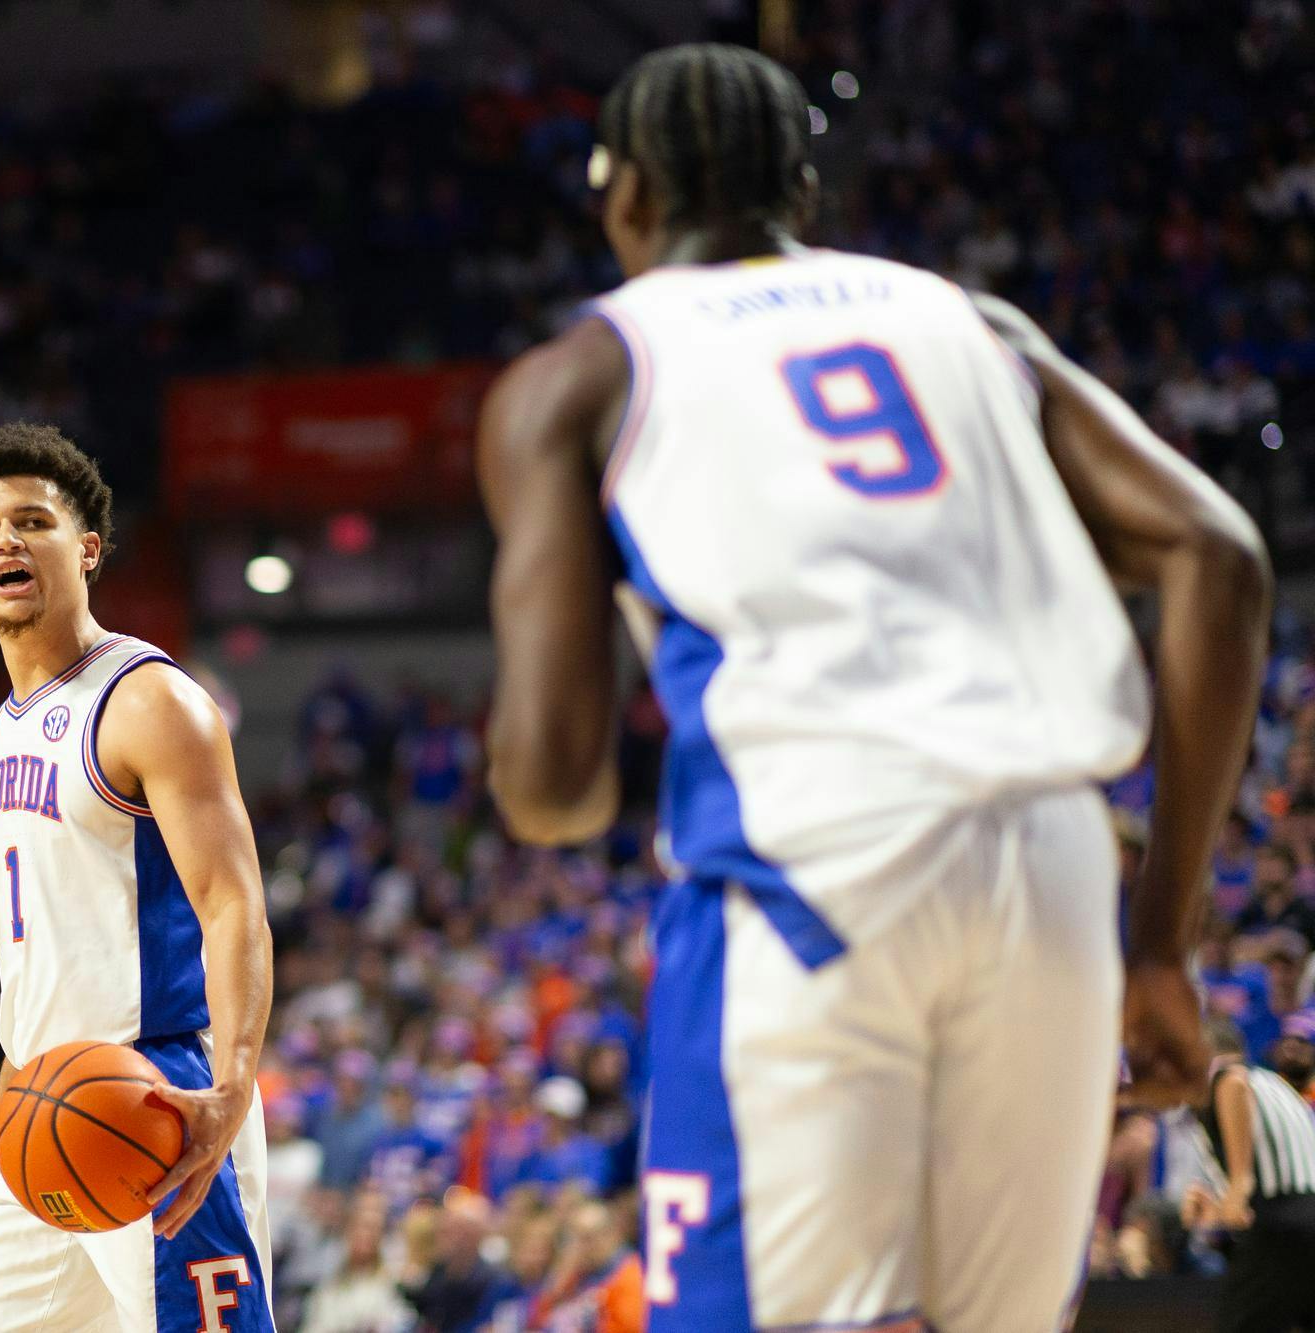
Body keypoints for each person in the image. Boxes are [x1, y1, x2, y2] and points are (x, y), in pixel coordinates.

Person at [478, 41, 1271, 1333]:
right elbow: (1220, 556)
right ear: (804, 191)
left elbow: (559, 790)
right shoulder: (972, 322)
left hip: (811, 874)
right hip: (1053, 873)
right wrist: (1164, 941)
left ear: (620, 199)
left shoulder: (578, 375)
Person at [0, 423, 274, 1330]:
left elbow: (233, 900)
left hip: (153, 1099)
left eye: (31, 521)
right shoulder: (7, 723)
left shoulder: (150, 700)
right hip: (37, 1113)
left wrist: (232, 1086)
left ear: (85, 548)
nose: (5, 540)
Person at [1185, 1021, 1315, 1331]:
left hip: (1279, 1231)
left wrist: (1239, 1184)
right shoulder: (1275, 1082)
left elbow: (1234, 1082)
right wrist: (1216, 1210)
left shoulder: (1225, 1075)